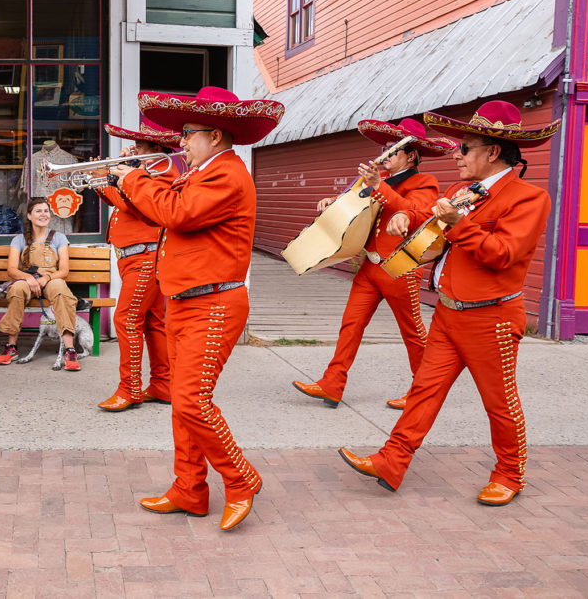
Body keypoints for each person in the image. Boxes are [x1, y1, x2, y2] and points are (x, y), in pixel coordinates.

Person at [339, 100, 558, 506]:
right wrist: (410, 227)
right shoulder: (459, 191)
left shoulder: (529, 198)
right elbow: (433, 242)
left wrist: (459, 224)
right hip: (448, 310)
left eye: (466, 148)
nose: (456, 155)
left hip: (490, 316)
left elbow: (501, 254)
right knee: (423, 389)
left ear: (493, 152)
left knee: (499, 401)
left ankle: (510, 474)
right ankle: (391, 460)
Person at [108, 86, 285, 531]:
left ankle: (240, 477)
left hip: (215, 303)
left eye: (188, 133)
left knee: (191, 401)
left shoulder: (226, 173)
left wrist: (131, 178)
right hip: (188, 301)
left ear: (216, 135)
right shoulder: (202, 171)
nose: (181, 142)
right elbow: (170, 212)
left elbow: (178, 214)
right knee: (184, 405)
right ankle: (189, 489)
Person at [292, 119, 454, 410]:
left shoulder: (423, 182)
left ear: (411, 156)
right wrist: (332, 201)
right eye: (386, 147)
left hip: (399, 267)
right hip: (369, 264)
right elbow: (352, 203)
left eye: (395, 149)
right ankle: (332, 383)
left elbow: (414, 213)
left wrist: (378, 185)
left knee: (412, 332)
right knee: (351, 324)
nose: (387, 153)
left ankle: (422, 393)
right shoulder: (376, 177)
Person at [93, 118, 179, 411]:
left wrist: (113, 177)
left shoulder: (163, 173)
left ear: (155, 147)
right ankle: (163, 384)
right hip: (133, 255)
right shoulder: (144, 171)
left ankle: (129, 389)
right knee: (153, 322)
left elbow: (134, 203)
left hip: (145, 255)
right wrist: (105, 178)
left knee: (125, 319)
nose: (133, 148)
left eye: (139, 144)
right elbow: (122, 202)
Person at [0, 197, 82, 370]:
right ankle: (11, 347)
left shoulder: (59, 238)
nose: (43, 214)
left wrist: (46, 278)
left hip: (51, 279)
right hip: (28, 279)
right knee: (17, 289)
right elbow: (12, 269)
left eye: (46, 211)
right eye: (38, 211)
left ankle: (69, 350)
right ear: (29, 215)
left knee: (60, 290)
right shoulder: (19, 240)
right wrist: (28, 278)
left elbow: (64, 270)